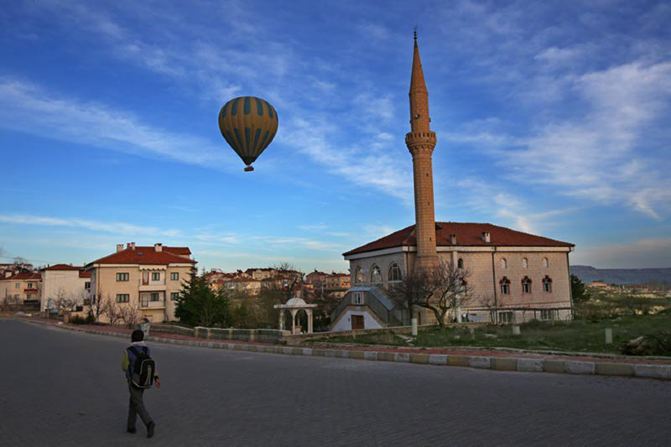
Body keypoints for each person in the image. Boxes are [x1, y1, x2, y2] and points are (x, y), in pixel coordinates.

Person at [121, 329, 160, 438]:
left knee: (137, 402)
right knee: (134, 400)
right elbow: (150, 363)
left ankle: (149, 423)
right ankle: (130, 426)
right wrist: (156, 377)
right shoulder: (147, 349)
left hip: (133, 381)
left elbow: (124, 367)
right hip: (144, 380)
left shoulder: (127, 351)